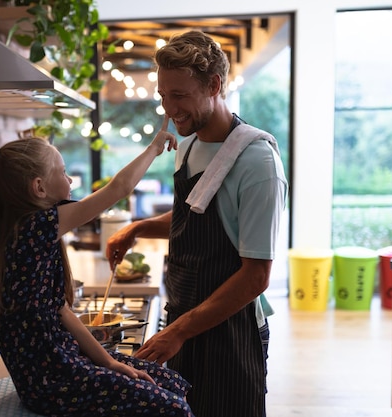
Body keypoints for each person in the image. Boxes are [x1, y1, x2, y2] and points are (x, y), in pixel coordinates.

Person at [105, 30, 288, 417]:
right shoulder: (187, 146)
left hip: (231, 335)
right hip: (186, 318)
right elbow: (198, 211)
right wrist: (137, 229)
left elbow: (256, 276)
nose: (169, 109)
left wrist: (178, 331)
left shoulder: (258, 162)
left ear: (215, 85)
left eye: (180, 96)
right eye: (163, 96)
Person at [0, 127, 196, 416]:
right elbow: (119, 188)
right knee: (173, 408)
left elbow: (61, 310)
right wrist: (154, 148)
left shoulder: (29, 232)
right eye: (63, 171)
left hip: (62, 366)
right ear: (39, 187)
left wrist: (110, 362)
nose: (69, 179)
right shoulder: (36, 227)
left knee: (169, 382)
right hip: (53, 382)